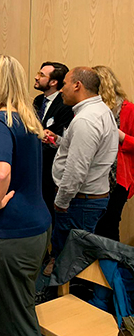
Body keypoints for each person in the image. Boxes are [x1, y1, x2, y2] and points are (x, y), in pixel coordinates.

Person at [0, 54, 51, 336]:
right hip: (35, 226)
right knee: (19, 307)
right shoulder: (25, 120)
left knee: (14, 320)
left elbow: (0, 172)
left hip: (11, 232)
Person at [44, 67, 118, 276]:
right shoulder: (99, 110)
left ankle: (63, 293)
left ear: (77, 85)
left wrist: (61, 201)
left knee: (70, 260)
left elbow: (77, 169)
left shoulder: (86, 119)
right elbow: (83, 151)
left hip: (79, 201)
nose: (61, 90)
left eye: (65, 84)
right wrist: (58, 141)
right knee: (75, 257)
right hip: (87, 198)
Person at [93, 65, 134, 241]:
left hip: (117, 179)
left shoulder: (128, 109)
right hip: (92, 177)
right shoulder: (88, 109)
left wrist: (121, 136)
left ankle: (111, 260)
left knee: (109, 225)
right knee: (92, 227)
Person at [33, 62, 74, 217]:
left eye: (41, 75)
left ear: (53, 82)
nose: (36, 77)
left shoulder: (65, 105)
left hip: (51, 171)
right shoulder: (38, 101)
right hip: (36, 168)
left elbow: (60, 141)